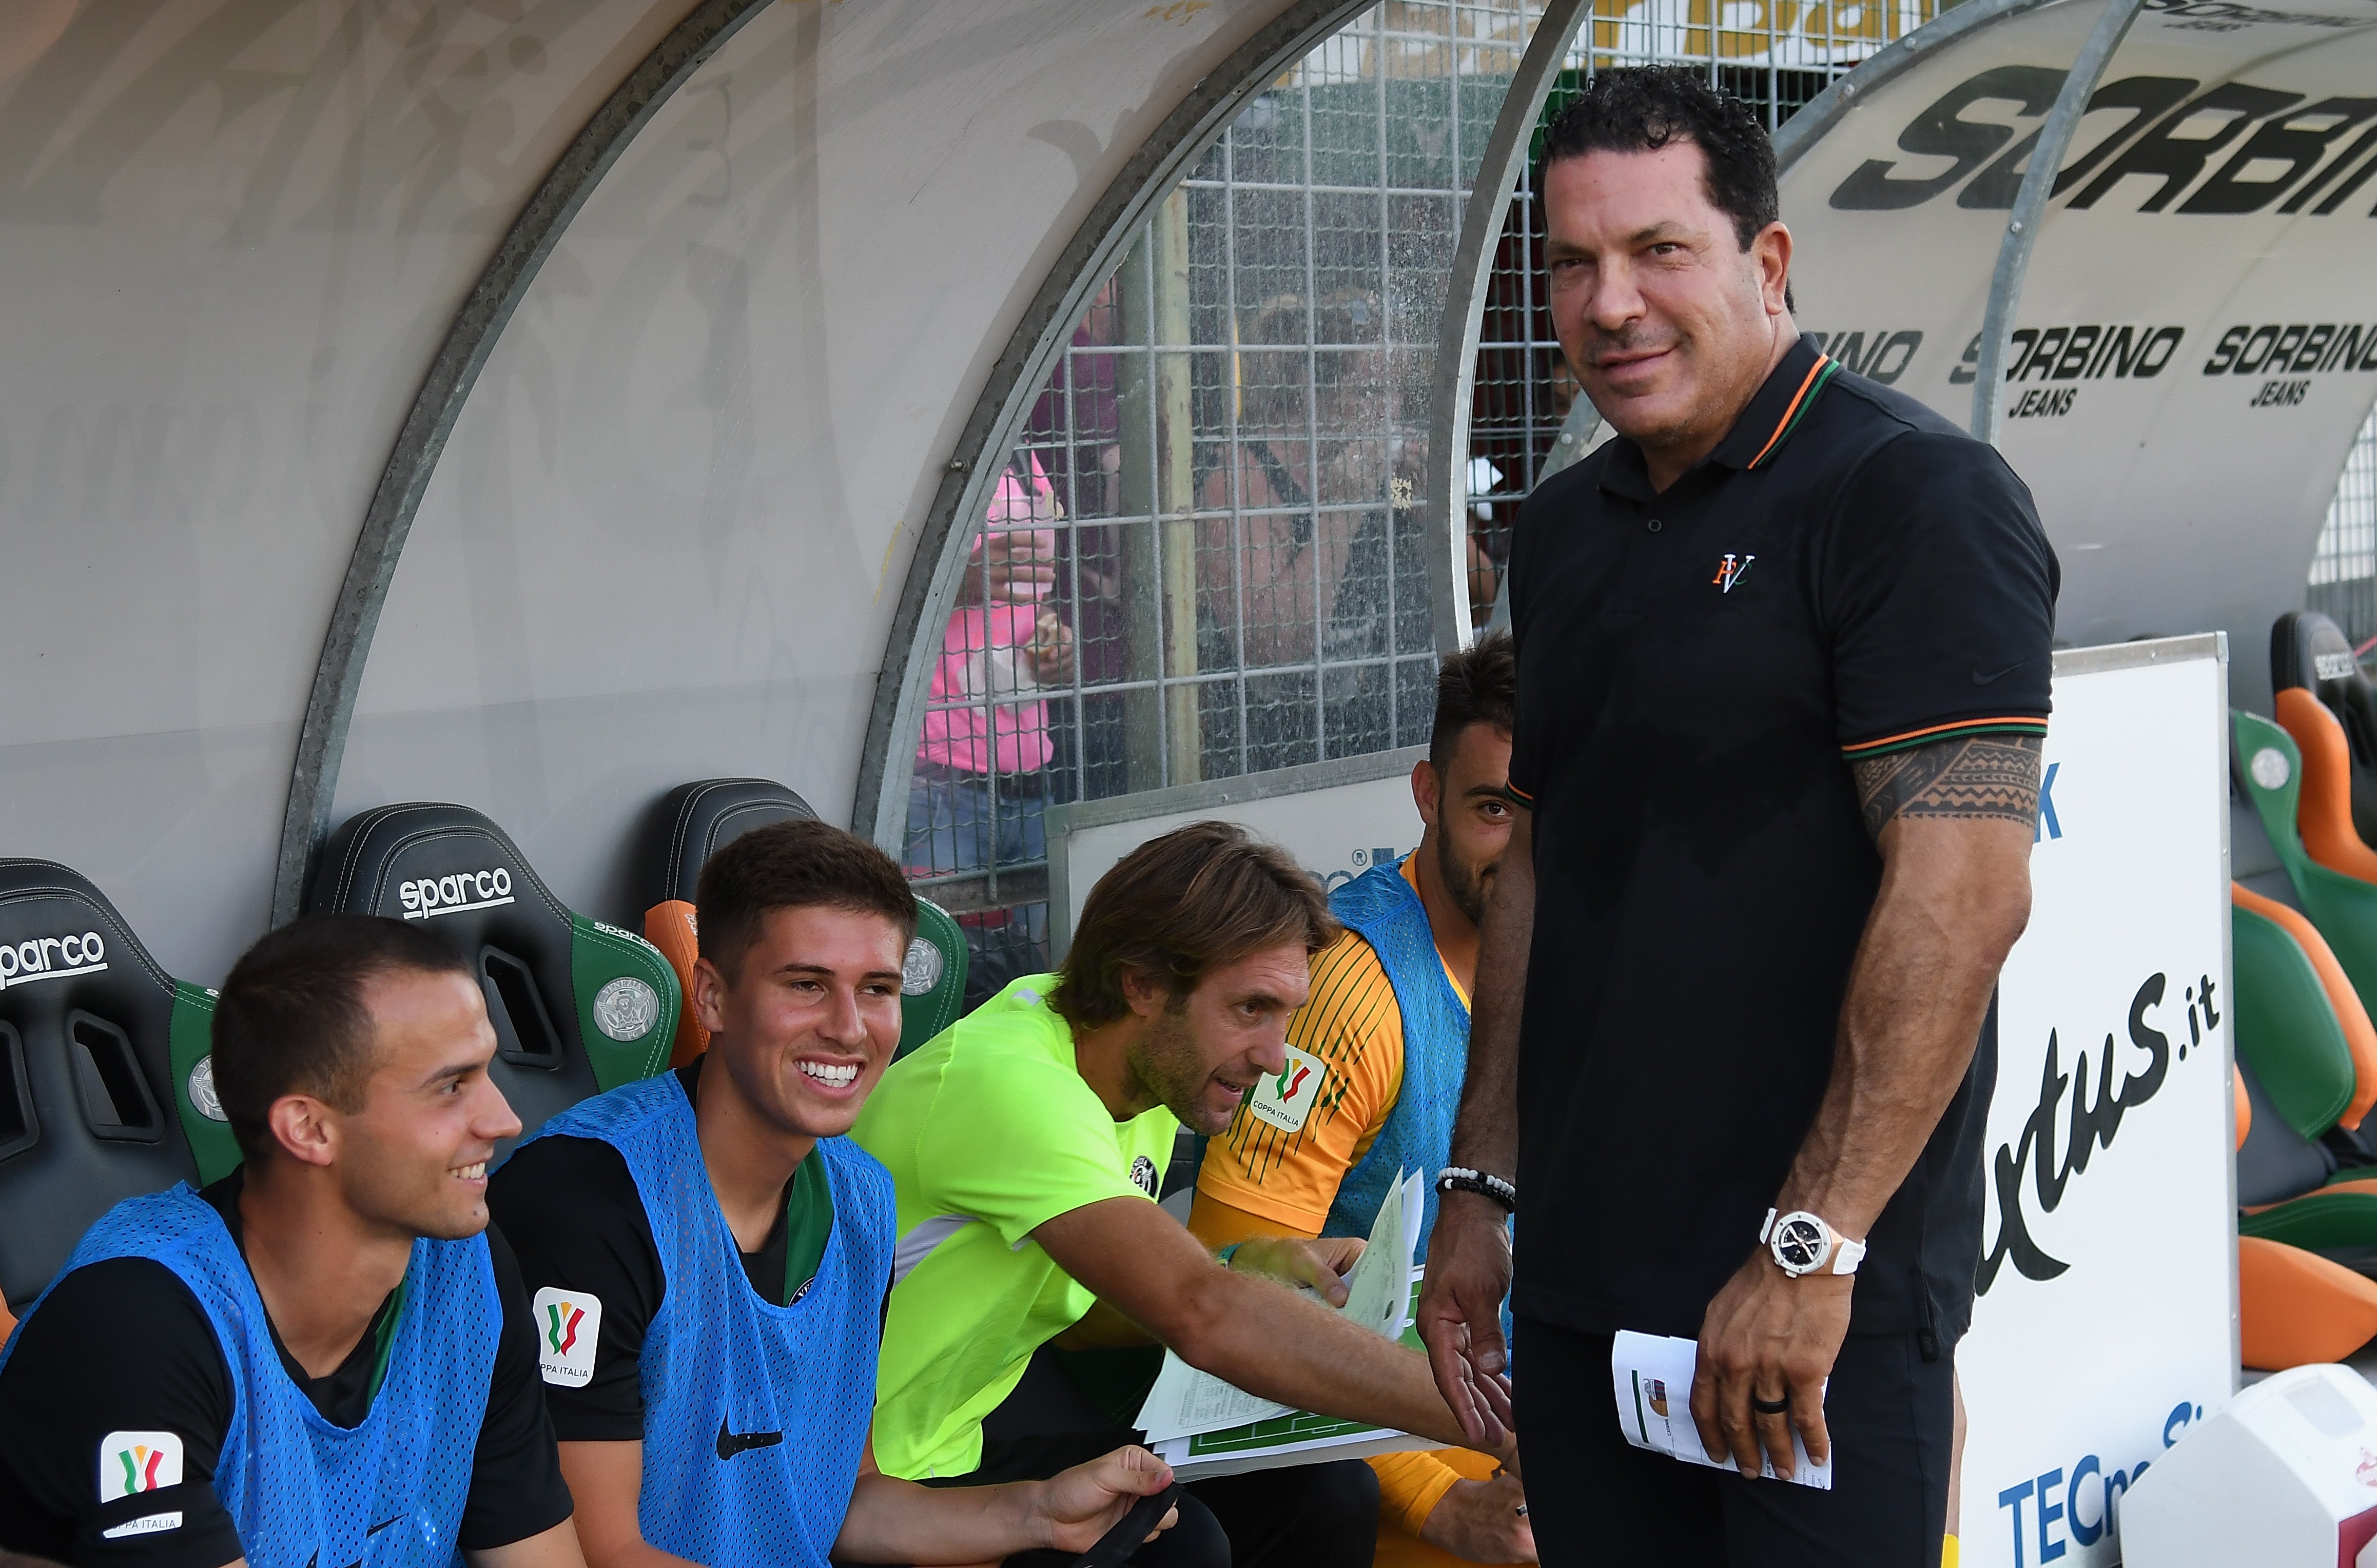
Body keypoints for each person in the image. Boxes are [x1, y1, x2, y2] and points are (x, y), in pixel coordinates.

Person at [1418, 66, 2056, 1568]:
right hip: (1578, 1290)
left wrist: (1809, 1247)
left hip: (1798, 1307)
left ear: (1764, 263)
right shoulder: (1563, 530)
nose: (1610, 301)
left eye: (1657, 250)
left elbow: (1958, 899)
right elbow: (1537, 866)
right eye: (1571, 264)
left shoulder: (1911, 497)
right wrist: (1475, 1188)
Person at [490, 819, 1175, 1568]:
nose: (849, 1029)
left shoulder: (859, 1197)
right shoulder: (586, 1199)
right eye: (807, 985)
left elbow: (845, 1502)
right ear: (713, 997)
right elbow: (602, 1554)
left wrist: (1038, 1512)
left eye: (876, 990)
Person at [853, 821, 1516, 1568]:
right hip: (859, 1485)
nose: (1274, 1058)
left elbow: (1086, 1312)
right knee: (1184, 1549)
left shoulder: (1136, 1072)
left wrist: (1249, 1266)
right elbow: (1201, 1311)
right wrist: (1501, 1425)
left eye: (1286, 1016)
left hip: (953, 1441)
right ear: (1143, 984)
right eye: (1249, 1010)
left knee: (1329, 1497)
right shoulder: (1011, 1086)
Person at [0, 917, 586, 1568]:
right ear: (309, 1128)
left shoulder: (467, 1266)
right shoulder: (134, 1324)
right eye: (452, 1086)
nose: (505, 1119)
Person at [1188, 634, 1533, 1568]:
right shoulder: (1352, 989)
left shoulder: (1607, 945)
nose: (1527, 847)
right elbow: (1231, 1300)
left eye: (1554, 810)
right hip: (1405, 1483)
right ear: (1427, 796)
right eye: (1493, 808)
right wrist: (1439, 1503)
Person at [909, 450, 1077, 1005]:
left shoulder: (1026, 459)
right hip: (943, 781)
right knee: (936, 978)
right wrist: (967, 580)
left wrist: (1054, 641)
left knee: (1041, 979)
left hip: (1030, 776)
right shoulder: (921, 451)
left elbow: (1030, 599)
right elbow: (887, 587)